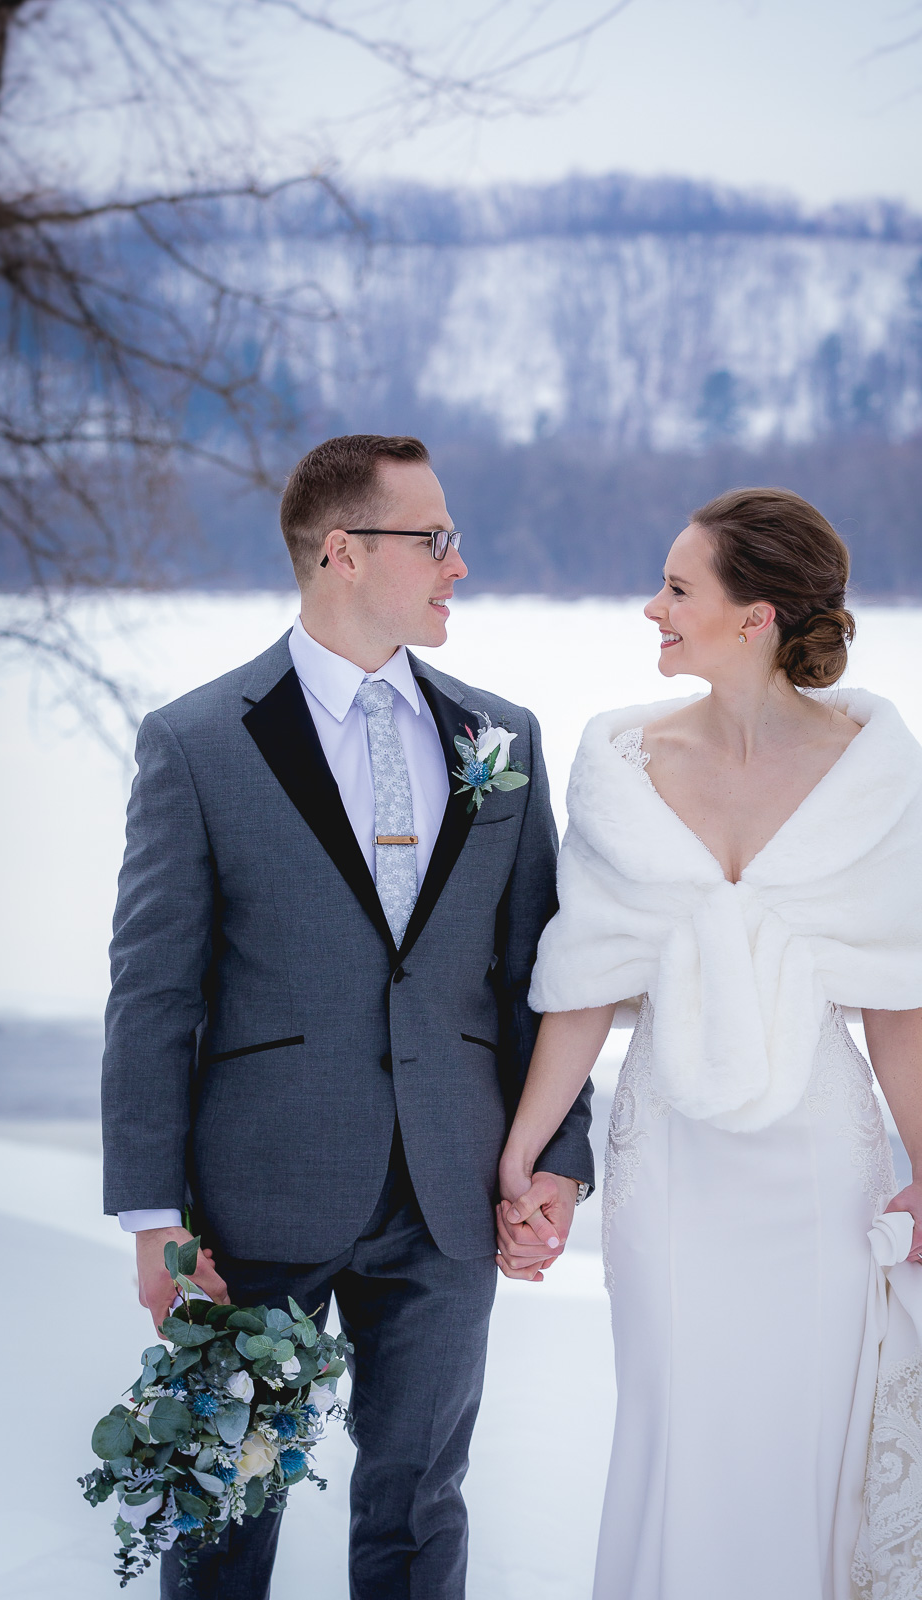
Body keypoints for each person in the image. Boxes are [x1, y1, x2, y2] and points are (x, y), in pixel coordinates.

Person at [496, 488, 922, 1599]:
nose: (648, 606)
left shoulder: (867, 770)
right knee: (676, 1422)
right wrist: (523, 1156)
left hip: (816, 1171)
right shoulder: (624, 761)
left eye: (675, 587)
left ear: (752, 617)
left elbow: (893, 992)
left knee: (811, 1437)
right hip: (670, 1162)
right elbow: (581, 987)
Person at [101, 433, 594, 1600]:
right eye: (433, 541)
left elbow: (542, 973)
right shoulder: (197, 741)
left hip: (448, 1188)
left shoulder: (501, 741)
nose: (455, 566)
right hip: (253, 1198)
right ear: (339, 552)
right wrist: (150, 1214)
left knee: (421, 1502)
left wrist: (557, 1160)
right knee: (225, 1501)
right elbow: (153, 995)